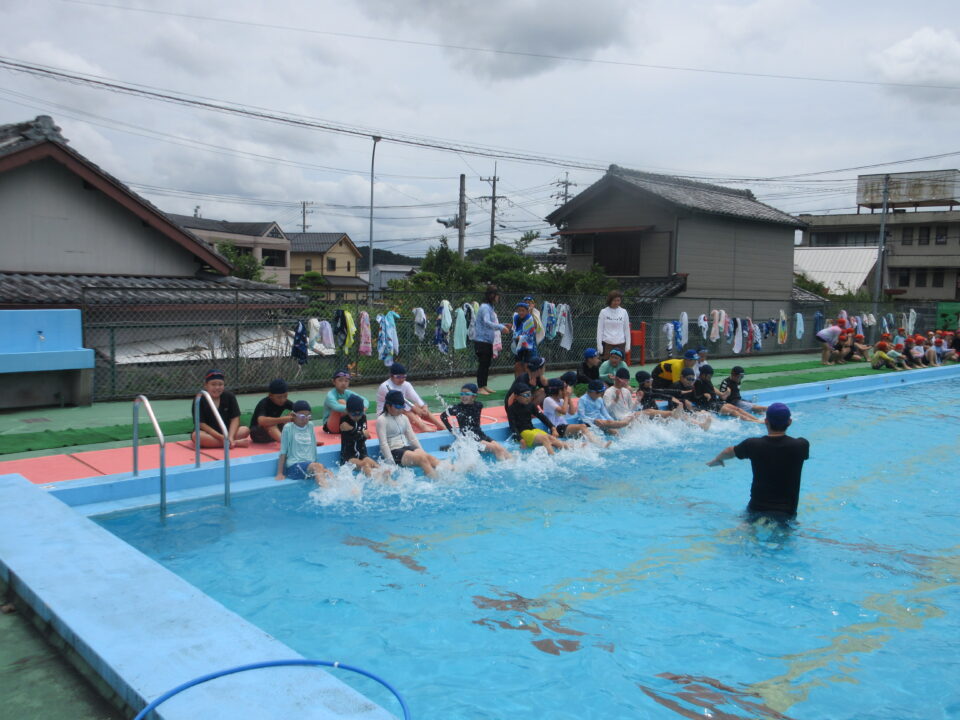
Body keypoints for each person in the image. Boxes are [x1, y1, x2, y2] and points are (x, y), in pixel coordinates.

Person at [706, 403, 810, 519]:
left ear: (766, 421)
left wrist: (718, 459)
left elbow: (729, 451)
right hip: (787, 512)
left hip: (756, 508)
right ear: (789, 422)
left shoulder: (753, 444)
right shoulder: (801, 445)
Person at [376, 390, 442, 477]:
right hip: (394, 451)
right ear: (388, 406)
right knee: (422, 459)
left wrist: (423, 452)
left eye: (402, 407)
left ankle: (452, 470)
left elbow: (412, 438)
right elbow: (383, 444)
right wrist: (391, 463)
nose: (400, 410)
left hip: (406, 447)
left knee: (429, 457)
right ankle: (436, 480)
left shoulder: (404, 418)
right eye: (397, 407)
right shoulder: (382, 420)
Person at [440, 383, 511, 460]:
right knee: (496, 449)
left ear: (474, 396)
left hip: (481, 435)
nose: (463, 396)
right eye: (462, 394)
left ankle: (512, 462)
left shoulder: (478, 405)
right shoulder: (457, 408)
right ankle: (503, 465)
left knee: (501, 448)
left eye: (467, 394)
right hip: (470, 439)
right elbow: (443, 416)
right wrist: (452, 430)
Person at [274, 400, 333, 486]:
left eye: (308, 416)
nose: (305, 419)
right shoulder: (288, 428)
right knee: (317, 467)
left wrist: (318, 465)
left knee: (329, 473)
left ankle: (341, 491)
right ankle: (326, 491)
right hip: (294, 466)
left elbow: (313, 448)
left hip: (309, 465)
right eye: (302, 416)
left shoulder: (310, 425)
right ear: (293, 415)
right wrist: (280, 473)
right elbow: (283, 451)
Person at [376, 363, 445, 432]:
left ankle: (439, 425)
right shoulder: (385, 386)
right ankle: (423, 427)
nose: (401, 379)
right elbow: (400, 401)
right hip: (385, 414)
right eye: (398, 377)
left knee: (419, 406)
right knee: (404, 409)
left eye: (404, 377)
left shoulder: (406, 384)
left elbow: (416, 398)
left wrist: (424, 407)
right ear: (391, 376)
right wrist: (414, 408)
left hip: (397, 410)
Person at [192, 369, 250, 448]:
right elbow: (201, 424)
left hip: (227, 431)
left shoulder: (229, 396)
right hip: (209, 433)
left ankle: (228, 442)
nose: (217, 387)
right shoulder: (199, 399)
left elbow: (235, 419)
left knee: (245, 430)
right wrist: (221, 437)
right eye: (213, 384)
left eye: (220, 384)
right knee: (196, 436)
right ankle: (235, 443)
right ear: (206, 385)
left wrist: (230, 436)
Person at [506, 382, 569, 455]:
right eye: (526, 395)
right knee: (544, 439)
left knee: (552, 439)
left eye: (530, 394)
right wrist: (520, 439)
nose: (528, 397)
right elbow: (513, 426)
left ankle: (571, 449)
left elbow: (542, 417)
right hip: (522, 432)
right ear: (516, 396)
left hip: (532, 430)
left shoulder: (531, 405)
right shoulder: (512, 409)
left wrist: (552, 428)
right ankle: (553, 457)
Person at [541, 378, 608, 446]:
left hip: (563, 427)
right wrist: (566, 397)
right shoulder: (548, 400)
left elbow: (572, 412)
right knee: (582, 426)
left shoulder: (561, 401)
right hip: (556, 429)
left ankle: (590, 445)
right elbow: (563, 411)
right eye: (564, 390)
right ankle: (599, 444)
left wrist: (569, 398)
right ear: (558, 390)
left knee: (585, 431)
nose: (565, 392)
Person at [474, 285, 511, 395]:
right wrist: (501, 327)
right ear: (492, 295)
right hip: (482, 341)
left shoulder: (490, 307)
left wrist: (504, 325)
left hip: (487, 341)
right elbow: (486, 322)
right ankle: (480, 387)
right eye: (497, 295)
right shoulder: (485, 307)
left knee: (486, 364)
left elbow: (491, 323)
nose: (498, 298)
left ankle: (484, 385)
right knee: (483, 364)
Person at [693, 365, 763, 423]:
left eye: (711, 376)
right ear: (703, 374)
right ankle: (754, 421)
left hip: (716, 402)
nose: (710, 377)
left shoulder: (707, 380)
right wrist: (704, 395)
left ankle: (756, 419)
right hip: (709, 406)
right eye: (709, 376)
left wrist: (722, 394)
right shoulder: (698, 382)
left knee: (737, 409)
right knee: (733, 412)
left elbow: (713, 389)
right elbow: (695, 396)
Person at [339, 394, 381, 477]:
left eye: (360, 414)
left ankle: (388, 481)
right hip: (349, 458)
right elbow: (355, 436)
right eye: (354, 414)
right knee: (365, 465)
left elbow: (364, 437)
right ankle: (376, 480)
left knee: (376, 466)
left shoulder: (363, 418)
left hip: (362, 454)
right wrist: (362, 433)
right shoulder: (344, 421)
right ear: (347, 411)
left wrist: (360, 433)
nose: (357, 417)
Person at [322, 370, 369, 434]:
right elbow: (336, 407)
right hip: (331, 427)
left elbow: (364, 400)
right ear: (334, 382)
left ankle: (361, 428)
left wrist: (363, 407)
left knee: (359, 405)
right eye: (340, 380)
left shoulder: (348, 393)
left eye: (346, 381)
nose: (343, 383)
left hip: (344, 422)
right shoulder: (330, 395)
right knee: (341, 402)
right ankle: (355, 428)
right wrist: (354, 409)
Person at [250, 378, 294, 443]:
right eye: (279, 397)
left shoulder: (285, 402)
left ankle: (301, 438)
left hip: (274, 432)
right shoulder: (264, 403)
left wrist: (294, 416)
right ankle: (287, 443)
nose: (283, 400)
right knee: (270, 425)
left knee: (294, 414)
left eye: (285, 396)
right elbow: (261, 421)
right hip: (259, 434)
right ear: (271, 396)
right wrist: (283, 419)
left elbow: (300, 409)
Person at [596, 290, 631, 360]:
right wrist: (599, 345)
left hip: (620, 344)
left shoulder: (624, 312)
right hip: (607, 344)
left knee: (619, 364)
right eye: (614, 300)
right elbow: (600, 330)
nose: (616, 302)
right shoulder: (603, 312)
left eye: (618, 300)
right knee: (606, 364)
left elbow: (626, 330)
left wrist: (628, 345)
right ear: (610, 300)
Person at [511, 302, 538, 376]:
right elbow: (514, 330)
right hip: (518, 345)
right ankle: (518, 381)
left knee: (527, 365)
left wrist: (520, 337)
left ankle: (529, 381)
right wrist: (516, 336)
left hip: (528, 346)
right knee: (517, 365)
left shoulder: (530, 319)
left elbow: (530, 334)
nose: (521, 312)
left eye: (523, 310)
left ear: (527, 311)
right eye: (519, 310)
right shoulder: (516, 318)